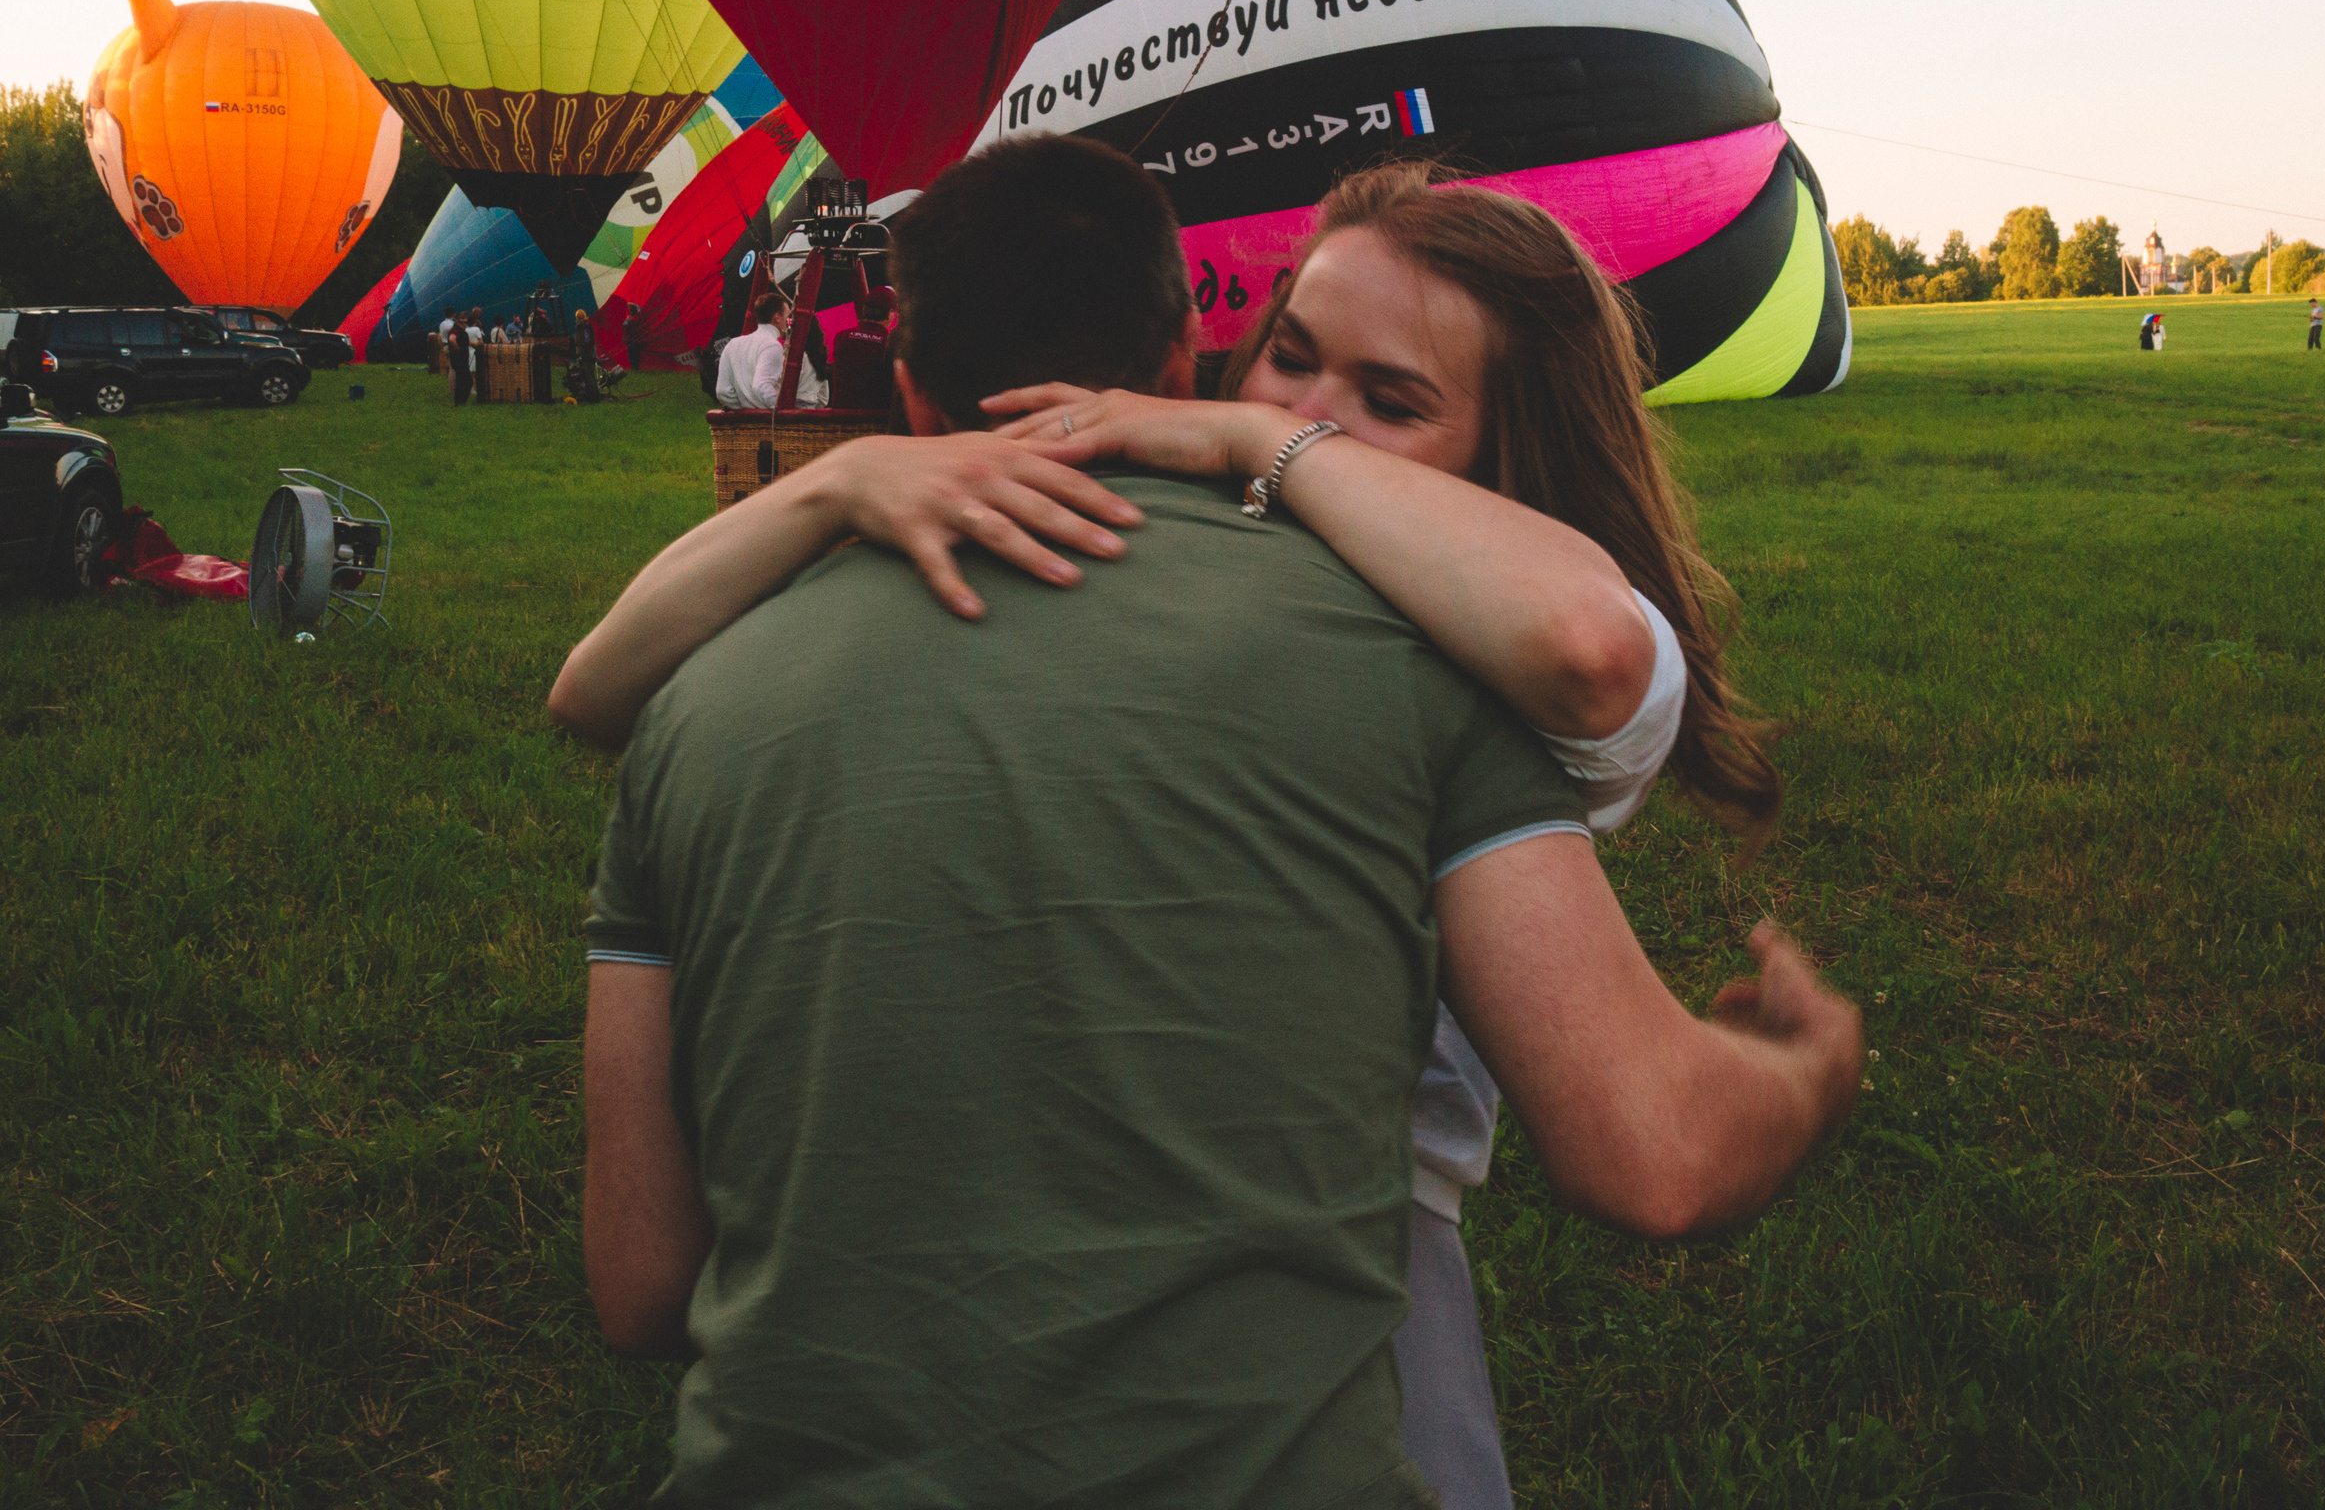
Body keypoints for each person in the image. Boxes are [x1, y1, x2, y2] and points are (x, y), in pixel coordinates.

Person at [553, 148, 1853, 1509]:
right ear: (1194, 349)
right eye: (1288, 362)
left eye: (1388, 405)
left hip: (1351, 1293)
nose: (1315, 419)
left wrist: (1251, 445)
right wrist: (839, 482)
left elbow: (644, 1290)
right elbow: (1654, 1152)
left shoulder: (1494, 651)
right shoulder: (1406, 671)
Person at [714, 293, 824, 409]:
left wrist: (742, 409)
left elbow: (722, 391)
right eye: (787, 315)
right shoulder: (772, 346)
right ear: (777, 317)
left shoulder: (733, 344)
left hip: (741, 422)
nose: (789, 321)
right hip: (767, 421)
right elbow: (761, 386)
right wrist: (781, 409)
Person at [442, 307, 476, 407]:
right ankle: (460, 402)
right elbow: (452, 339)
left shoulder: (460, 331)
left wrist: (473, 345)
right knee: (466, 381)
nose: (465, 325)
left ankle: (460, 402)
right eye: (463, 323)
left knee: (462, 380)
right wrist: (458, 349)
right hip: (459, 359)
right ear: (458, 322)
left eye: (466, 323)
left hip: (461, 359)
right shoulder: (456, 330)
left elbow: (466, 342)